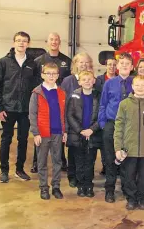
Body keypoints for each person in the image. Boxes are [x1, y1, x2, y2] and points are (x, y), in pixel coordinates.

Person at [0, 31, 38, 183]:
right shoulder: (4, 62)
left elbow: (37, 86)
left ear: (28, 44)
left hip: (25, 110)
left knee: (23, 140)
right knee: (6, 139)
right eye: (18, 40)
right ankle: (4, 170)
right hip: (8, 109)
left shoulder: (32, 64)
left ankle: (19, 169)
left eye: (24, 41)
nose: (21, 43)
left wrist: (33, 108)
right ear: (13, 43)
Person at [114, 75, 144, 210]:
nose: (140, 88)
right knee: (128, 176)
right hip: (129, 149)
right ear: (132, 87)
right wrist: (118, 147)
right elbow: (119, 127)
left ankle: (141, 198)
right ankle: (131, 198)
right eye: (137, 85)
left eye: (143, 85)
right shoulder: (124, 104)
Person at [31, 32, 71, 174]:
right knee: (42, 133)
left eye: (56, 40)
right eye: (51, 40)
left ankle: (61, 160)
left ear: (60, 42)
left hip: (60, 99)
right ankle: (37, 162)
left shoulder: (67, 60)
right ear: (47, 42)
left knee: (58, 131)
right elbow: (35, 81)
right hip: (44, 99)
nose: (54, 42)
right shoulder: (38, 61)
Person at [28, 63, 68, 200]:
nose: (51, 76)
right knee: (42, 162)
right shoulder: (37, 93)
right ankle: (44, 187)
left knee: (57, 161)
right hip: (43, 133)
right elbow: (32, 114)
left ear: (58, 76)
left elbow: (65, 113)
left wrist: (65, 131)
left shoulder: (62, 93)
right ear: (42, 75)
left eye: (54, 73)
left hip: (58, 132)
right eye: (48, 73)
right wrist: (36, 133)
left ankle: (56, 186)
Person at [99, 52, 134, 203]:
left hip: (130, 126)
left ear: (132, 67)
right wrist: (102, 123)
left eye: (128, 63)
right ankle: (110, 190)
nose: (124, 66)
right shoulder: (109, 83)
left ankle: (127, 189)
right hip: (111, 124)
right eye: (122, 63)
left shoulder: (136, 82)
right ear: (117, 66)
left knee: (128, 158)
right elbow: (103, 103)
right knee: (110, 158)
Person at [59, 52, 94, 187]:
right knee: (73, 152)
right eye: (81, 62)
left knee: (86, 153)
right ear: (75, 64)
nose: (84, 65)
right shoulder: (68, 81)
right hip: (72, 124)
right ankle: (72, 176)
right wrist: (66, 126)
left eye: (86, 62)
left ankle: (85, 177)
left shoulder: (92, 79)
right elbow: (63, 103)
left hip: (88, 124)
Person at [66, 70, 101, 198]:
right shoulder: (74, 95)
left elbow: (101, 115)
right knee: (79, 161)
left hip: (92, 134)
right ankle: (81, 185)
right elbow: (69, 115)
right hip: (78, 135)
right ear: (79, 82)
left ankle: (89, 184)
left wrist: (92, 129)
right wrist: (80, 130)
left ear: (94, 81)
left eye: (89, 79)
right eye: (84, 80)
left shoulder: (98, 95)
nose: (87, 82)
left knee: (90, 161)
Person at [95, 56, 117, 176]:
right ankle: (106, 166)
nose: (112, 67)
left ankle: (116, 167)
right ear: (106, 65)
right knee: (105, 146)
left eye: (114, 64)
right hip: (104, 116)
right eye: (110, 64)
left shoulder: (120, 81)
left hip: (116, 119)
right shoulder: (99, 80)